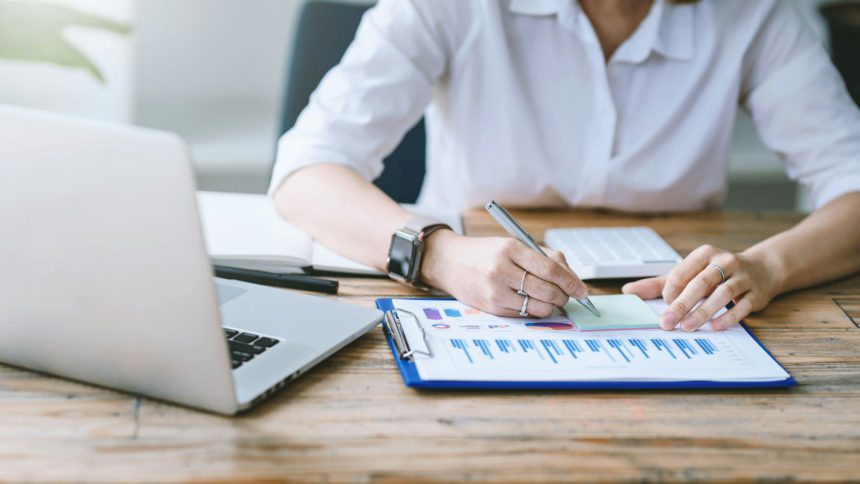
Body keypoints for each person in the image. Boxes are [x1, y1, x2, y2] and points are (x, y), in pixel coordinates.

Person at [270, 0, 860, 332]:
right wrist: (440, 254)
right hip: (474, 308)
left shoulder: (757, 15)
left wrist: (767, 265)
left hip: (672, 317)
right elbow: (307, 168)